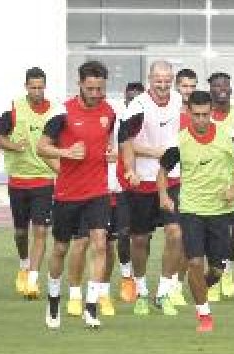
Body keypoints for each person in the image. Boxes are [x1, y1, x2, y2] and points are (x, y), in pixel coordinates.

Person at [36, 60, 118, 330]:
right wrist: (66, 152)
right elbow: (41, 147)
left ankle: (91, 307)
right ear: (80, 84)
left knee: (100, 244)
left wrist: (110, 153)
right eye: (90, 88)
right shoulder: (62, 113)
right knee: (61, 249)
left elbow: (107, 142)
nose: (96, 94)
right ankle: (53, 299)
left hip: (98, 191)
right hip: (67, 193)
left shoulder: (109, 112)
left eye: (100, 89)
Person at [158, 91, 234, 332]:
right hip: (191, 210)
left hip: (220, 211)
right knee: (195, 262)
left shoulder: (228, 135)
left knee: (216, 270)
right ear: (188, 113)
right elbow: (162, 171)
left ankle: (198, 288)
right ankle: (204, 314)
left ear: (211, 112)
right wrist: (164, 195)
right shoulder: (180, 141)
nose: (201, 120)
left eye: (205, 114)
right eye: (196, 115)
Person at [120, 60, 186, 316]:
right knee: (139, 239)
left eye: (167, 80)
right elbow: (125, 142)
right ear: (150, 79)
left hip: (172, 179)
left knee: (175, 234)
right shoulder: (138, 107)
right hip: (143, 182)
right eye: (158, 79)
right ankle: (141, 291)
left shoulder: (180, 102)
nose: (163, 84)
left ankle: (164, 292)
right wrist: (132, 168)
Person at [0, 67, 59, 299]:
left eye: (41, 87)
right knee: (21, 232)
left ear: (45, 87)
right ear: (26, 87)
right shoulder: (14, 110)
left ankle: (32, 280)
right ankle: (24, 265)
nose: (37, 91)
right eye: (33, 87)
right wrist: (14, 146)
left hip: (44, 179)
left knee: (41, 230)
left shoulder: (55, 112)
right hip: (18, 180)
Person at [206, 71, 234, 301]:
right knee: (215, 234)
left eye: (225, 85)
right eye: (217, 85)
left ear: (230, 89)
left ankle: (227, 267)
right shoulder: (203, 115)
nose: (222, 89)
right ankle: (213, 279)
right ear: (210, 90)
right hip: (209, 184)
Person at [111, 81, 145, 303]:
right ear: (125, 100)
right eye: (129, 98)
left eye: (137, 99)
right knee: (122, 233)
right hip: (121, 183)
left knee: (142, 237)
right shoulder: (116, 121)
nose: (133, 102)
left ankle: (141, 280)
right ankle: (126, 277)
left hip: (147, 183)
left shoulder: (149, 119)